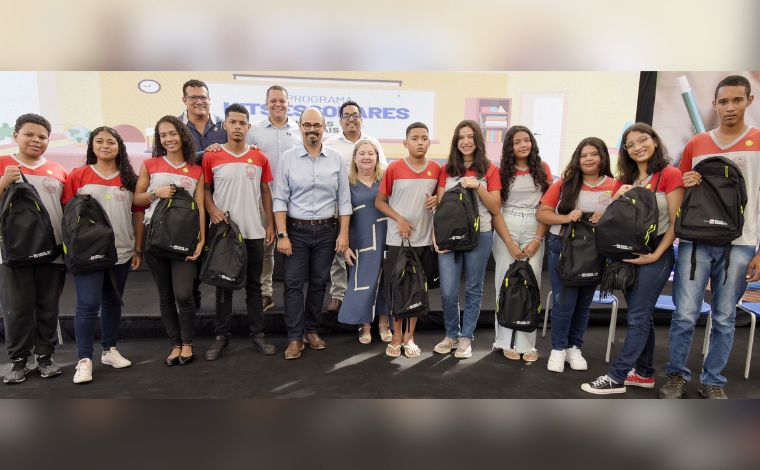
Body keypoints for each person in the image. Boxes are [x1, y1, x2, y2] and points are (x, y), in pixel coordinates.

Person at [660, 75, 760, 399]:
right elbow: (681, 186)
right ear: (714, 104)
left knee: (725, 316)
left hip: (742, 243)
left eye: (737, 100)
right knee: (685, 314)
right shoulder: (697, 143)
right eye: (724, 101)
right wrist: (687, 180)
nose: (730, 107)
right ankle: (676, 375)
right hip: (696, 240)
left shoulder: (758, 141)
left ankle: (713, 380)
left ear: (749, 101)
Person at [581, 123, 684, 395]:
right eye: (631, 144)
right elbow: (603, 216)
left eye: (643, 140)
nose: (638, 147)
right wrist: (616, 196)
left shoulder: (670, 175)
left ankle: (617, 376)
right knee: (643, 316)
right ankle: (644, 373)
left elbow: (676, 223)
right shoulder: (624, 178)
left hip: (655, 255)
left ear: (654, 140)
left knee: (637, 316)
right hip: (625, 255)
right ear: (625, 151)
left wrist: (657, 254)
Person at [62, 127, 145, 384]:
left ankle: (109, 350)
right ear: (91, 146)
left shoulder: (130, 179)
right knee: (87, 305)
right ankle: (84, 360)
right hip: (88, 253)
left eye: (111, 141)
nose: (105, 145)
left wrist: (137, 248)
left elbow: (138, 215)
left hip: (121, 250)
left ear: (120, 147)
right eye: (99, 141)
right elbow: (68, 215)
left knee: (112, 302)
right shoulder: (79, 175)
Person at [273, 107, 351, 360]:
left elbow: (344, 200)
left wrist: (343, 234)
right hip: (296, 231)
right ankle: (295, 338)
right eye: (307, 125)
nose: (312, 129)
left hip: (328, 231)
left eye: (317, 125)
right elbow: (280, 198)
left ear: (324, 127)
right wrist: (282, 234)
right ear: (300, 126)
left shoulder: (336, 158)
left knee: (319, 284)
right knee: (294, 285)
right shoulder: (287, 158)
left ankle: (311, 330)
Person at [203, 103, 276, 360]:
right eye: (232, 122)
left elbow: (266, 191)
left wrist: (270, 224)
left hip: (254, 232)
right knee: (223, 288)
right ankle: (221, 338)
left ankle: (258, 335)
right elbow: (204, 190)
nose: (237, 127)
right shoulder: (211, 156)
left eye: (242, 123)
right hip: (224, 234)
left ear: (248, 126)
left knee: (254, 287)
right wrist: (212, 209)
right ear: (224, 125)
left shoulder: (259, 157)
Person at [537, 137, 616, 373]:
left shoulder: (615, 185)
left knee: (583, 304)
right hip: (562, 247)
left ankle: (574, 347)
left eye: (594, 154)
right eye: (584, 155)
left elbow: (624, 220)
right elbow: (542, 214)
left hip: (595, 251)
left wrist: (608, 217)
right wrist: (566, 217)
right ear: (577, 159)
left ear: (602, 157)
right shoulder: (565, 183)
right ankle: (558, 348)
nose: (589, 159)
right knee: (565, 301)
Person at [0, 113, 67, 384]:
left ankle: (45, 356)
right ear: (15, 136)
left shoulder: (58, 170)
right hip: (14, 252)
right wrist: (4, 181)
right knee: (17, 308)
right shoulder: (4, 163)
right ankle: (18, 360)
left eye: (42, 137)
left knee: (48, 306)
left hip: (52, 251)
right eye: (29, 134)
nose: (36, 140)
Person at [134, 115, 205, 366]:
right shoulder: (150, 164)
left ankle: (188, 343)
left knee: (184, 294)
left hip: (185, 241)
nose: (168, 139)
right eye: (163, 135)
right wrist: (155, 193)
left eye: (172, 133)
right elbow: (138, 199)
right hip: (155, 240)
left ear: (182, 135)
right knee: (165, 296)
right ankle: (175, 345)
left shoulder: (196, 169)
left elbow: (200, 206)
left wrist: (201, 240)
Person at [432, 120, 501, 359]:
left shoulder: (490, 169)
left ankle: (465, 338)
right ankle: (452, 334)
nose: (466, 141)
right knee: (449, 290)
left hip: (480, 235)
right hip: (449, 237)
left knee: (474, 288)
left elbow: (495, 207)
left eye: (470, 136)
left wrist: (477, 186)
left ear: (478, 140)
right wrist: (435, 237)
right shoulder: (446, 169)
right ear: (455, 141)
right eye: (461, 137)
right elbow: (439, 208)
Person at [375, 122, 440, 358]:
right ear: (405, 143)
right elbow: (380, 202)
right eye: (415, 138)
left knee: (416, 292)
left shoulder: (436, 169)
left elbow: (440, 199)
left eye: (424, 138)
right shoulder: (394, 169)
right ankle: (396, 336)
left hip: (423, 242)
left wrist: (437, 200)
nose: (420, 142)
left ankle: (410, 337)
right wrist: (399, 219)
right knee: (397, 290)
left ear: (429, 142)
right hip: (397, 241)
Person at [492, 126, 552, 363]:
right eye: (517, 141)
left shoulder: (543, 168)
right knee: (504, 283)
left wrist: (537, 238)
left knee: (532, 284)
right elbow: (495, 209)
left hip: (535, 225)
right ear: (510, 146)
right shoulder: (501, 171)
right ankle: (504, 340)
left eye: (527, 140)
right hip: (507, 224)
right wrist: (509, 243)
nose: (523, 144)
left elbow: (547, 206)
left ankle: (527, 342)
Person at [324, 101, 389, 314]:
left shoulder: (372, 142)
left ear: (361, 118)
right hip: (338, 202)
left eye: (355, 115)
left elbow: (386, 173)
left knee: (369, 260)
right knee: (341, 249)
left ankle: (369, 306)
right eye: (346, 115)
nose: (351, 119)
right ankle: (339, 294)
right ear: (340, 120)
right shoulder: (330, 143)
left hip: (368, 203)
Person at [246, 85, 301, 313]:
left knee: (297, 247)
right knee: (266, 246)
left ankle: (295, 296)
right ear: (266, 103)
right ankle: (266, 293)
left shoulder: (299, 130)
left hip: (296, 199)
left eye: (282, 101)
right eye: (273, 101)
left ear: (289, 103)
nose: (278, 104)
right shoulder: (254, 130)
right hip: (264, 197)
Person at [178, 79, 226, 309]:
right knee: (191, 249)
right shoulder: (176, 128)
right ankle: (192, 297)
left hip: (220, 199)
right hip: (187, 203)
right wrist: (204, 154)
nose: (199, 101)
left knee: (220, 250)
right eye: (193, 97)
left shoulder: (223, 126)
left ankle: (221, 302)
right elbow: (172, 160)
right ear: (184, 100)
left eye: (203, 97)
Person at [337, 140, 391, 344]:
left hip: (386, 239)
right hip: (360, 243)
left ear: (377, 157)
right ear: (354, 158)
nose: (367, 157)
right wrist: (345, 246)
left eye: (371, 153)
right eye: (362, 153)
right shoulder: (346, 183)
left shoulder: (385, 180)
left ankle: (384, 324)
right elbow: (341, 215)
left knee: (386, 281)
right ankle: (364, 325)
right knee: (361, 284)